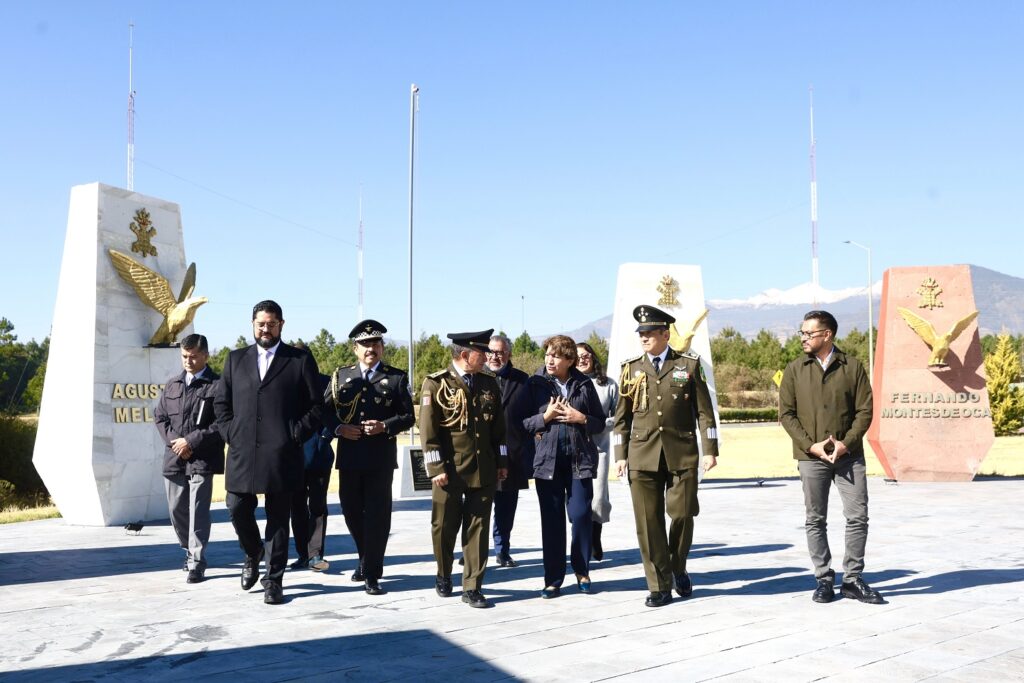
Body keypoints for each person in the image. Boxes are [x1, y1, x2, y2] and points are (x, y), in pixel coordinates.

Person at [214, 300, 322, 605]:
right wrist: (230, 434)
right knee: (236, 507)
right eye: (261, 323)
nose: (266, 329)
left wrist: (295, 434)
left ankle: (273, 580)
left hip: (281, 454)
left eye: (272, 324)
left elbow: (316, 406)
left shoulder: (298, 360)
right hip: (242, 452)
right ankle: (252, 552)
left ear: (281, 325)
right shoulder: (235, 360)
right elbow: (221, 404)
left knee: (278, 519)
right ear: (252, 324)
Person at [614, 304, 719, 608]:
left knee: (684, 514)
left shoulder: (688, 365)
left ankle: (678, 566)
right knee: (648, 523)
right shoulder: (630, 368)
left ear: (664, 334)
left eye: (649, 333)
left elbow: (704, 413)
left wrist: (709, 450)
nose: (643, 337)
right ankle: (658, 585)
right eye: (641, 333)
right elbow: (622, 418)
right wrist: (621, 454)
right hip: (641, 454)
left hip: (681, 453)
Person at [779, 310, 883, 605]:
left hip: (849, 457)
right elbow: (786, 414)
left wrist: (846, 444)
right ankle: (823, 579)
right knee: (815, 519)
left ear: (827, 335)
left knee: (858, 517)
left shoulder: (852, 367)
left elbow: (865, 410)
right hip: (811, 458)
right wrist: (810, 446)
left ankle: (852, 580)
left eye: (808, 334)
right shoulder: (795, 369)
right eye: (801, 333)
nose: (802, 338)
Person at [323, 319, 415, 596]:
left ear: (382, 347)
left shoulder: (396, 378)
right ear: (355, 349)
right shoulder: (341, 377)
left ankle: (372, 572)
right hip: (350, 456)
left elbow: (409, 416)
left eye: (375, 343)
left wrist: (385, 426)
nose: (370, 349)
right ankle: (366, 557)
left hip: (379, 458)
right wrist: (339, 428)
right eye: (364, 344)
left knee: (377, 516)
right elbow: (324, 412)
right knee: (351, 511)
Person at [419, 330, 508, 608]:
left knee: (478, 530)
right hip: (450, 471)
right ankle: (444, 573)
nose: (488, 358)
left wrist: (502, 461)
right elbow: (428, 432)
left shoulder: (489, 384)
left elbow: (499, 429)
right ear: (465, 355)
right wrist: (435, 468)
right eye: (482, 354)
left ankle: (472, 586)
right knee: (444, 527)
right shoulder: (435, 384)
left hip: (483, 470)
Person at [522, 335, 605, 598]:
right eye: (547, 354)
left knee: (581, 515)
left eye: (556, 356)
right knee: (552, 521)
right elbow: (521, 423)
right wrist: (544, 418)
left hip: (579, 461)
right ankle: (553, 579)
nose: (549, 359)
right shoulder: (534, 384)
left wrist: (582, 418)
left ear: (569, 360)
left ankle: (582, 570)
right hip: (547, 463)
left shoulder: (583, 384)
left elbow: (599, 422)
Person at [154, 333, 224, 584]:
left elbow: (221, 424)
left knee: (198, 512)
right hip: (174, 458)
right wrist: (177, 443)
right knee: (176, 510)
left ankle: (196, 561)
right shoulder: (173, 384)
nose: (188, 361)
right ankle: (188, 549)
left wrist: (191, 441)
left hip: (202, 458)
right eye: (184, 356)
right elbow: (160, 417)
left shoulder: (218, 385)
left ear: (205, 355)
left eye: (194, 356)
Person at [485, 333, 531, 568]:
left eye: (500, 352)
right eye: (491, 352)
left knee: (506, 507)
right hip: (481, 454)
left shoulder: (523, 381)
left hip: (512, 455)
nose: (495, 356)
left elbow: (533, 415)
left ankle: (502, 550)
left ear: (509, 354)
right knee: (477, 506)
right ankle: (474, 549)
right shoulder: (475, 378)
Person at [288, 359, 335, 574]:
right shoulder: (286, 382)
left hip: (318, 455)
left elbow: (335, 414)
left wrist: (324, 438)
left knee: (317, 506)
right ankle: (302, 554)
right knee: (296, 507)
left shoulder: (326, 383)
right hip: (293, 455)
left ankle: (315, 553)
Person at [576, 341, 619, 561]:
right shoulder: (570, 383)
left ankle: (595, 537)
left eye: (586, 355)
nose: (582, 359)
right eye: (577, 356)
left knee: (599, 499)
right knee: (577, 502)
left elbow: (619, 417)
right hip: (574, 450)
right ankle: (582, 541)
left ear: (593, 358)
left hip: (599, 448)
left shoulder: (608, 384)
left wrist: (598, 424)